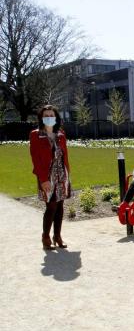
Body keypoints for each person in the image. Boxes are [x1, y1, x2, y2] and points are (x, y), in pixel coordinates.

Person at [29, 105, 71, 250]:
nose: (48, 118)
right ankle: (46, 237)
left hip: (61, 174)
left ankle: (57, 236)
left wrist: (67, 175)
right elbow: (35, 158)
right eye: (45, 115)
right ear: (41, 118)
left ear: (56, 117)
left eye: (51, 115)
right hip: (47, 176)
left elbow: (64, 156)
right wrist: (43, 179)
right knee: (51, 206)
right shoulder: (35, 134)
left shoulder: (61, 134)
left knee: (60, 205)